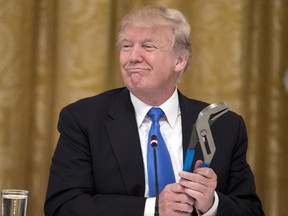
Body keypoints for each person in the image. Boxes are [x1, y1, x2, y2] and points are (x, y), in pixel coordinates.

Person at [44, 5, 264, 216]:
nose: (133, 57)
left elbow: (251, 210)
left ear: (179, 60)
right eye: (127, 46)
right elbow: (63, 205)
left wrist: (211, 204)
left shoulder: (224, 126)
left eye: (148, 47)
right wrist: (153, 209)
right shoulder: (84, 119)